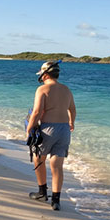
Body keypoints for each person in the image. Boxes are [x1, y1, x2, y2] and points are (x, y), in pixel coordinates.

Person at [26, 61, 76, 210]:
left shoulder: (42, 89)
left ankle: (42, 192)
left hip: (48, 129)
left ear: (45, 74)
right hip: (64, 131)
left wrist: (29, 128)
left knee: (38, 158)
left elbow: (36, 112)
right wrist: (71, 123)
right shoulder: (66, 89)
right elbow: (72, 109)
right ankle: (56, 200)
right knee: (57, 165)